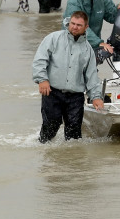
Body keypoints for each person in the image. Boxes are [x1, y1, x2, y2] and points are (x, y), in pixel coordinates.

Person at [32, 11, 104, 142]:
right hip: (52, 92)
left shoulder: (88, 49)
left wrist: (96, 97)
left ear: (86, 27)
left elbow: (92, 75)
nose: (74, 27)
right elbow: (40, 60)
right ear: (68, 22)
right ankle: (45, 156)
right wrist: (42, 79)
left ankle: (73, 161)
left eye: (79, 25)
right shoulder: (53, 38)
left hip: (75, 97)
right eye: (72, 23)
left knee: (74, 136)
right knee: (50, 128)